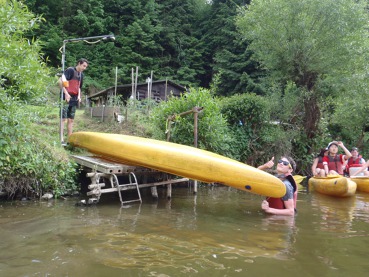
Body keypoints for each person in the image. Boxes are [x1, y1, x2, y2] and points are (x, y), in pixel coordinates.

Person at [59, 58, 89, 143]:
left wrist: (79, 96)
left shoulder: (81, 75)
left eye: (86, 66)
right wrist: (66, 94)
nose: (84, 68)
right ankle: (61, 139)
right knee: (63, 118)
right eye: (84, 66)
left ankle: (70, 139)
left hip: (74, 98)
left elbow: (79, 87)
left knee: (71, 119)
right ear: (79, 63)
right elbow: (62, 82)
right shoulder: (70, 70)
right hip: (66, 97)